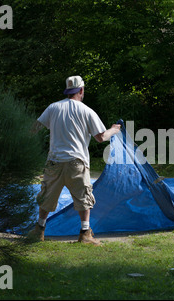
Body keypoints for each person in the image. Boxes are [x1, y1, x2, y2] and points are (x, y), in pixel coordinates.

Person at [28, 75, 121, 244]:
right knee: (84, 198)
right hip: (77, 163)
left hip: (54, 161)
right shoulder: (87, 111)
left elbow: (35, 128)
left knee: (46, 196)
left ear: (67, 90)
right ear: (81, 90)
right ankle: (85, 234)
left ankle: (38, 231)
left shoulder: (53, 108)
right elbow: (100, 137)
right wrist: (114, 130)